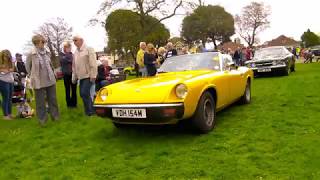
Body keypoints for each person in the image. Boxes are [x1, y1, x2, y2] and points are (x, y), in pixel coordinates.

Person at [26, 34, 59, 125]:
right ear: (36, 43)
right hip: (38, 82)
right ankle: (42, 120)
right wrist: (33, 76)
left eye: (44, 42)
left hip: (50, 80)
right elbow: (28, 68)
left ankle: (55, 117)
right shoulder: (31, 54)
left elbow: (51, 65)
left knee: (53, 99)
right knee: (40, 103)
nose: (44, 43)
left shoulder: (47, 52)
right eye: (42, 42)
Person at [72, 35, 97, 116]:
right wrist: (74, 77)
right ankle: (89, 111)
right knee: (83, 95)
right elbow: (75, 66)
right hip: (80, 77)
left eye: (75, 40)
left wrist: (93, 75)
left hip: (88, 75)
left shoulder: (89, 49)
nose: (74, 42)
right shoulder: (75, 52)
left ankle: (90, 112)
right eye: (73, 41)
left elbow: (93, 63)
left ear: (81, 40)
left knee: (84, 93)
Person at [0, 50, 14, 120]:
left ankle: (10, 114)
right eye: (5, 56)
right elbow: (4, 70)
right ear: (2, 56)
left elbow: (12, 69)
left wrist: (8, 70)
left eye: (8, 56)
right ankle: (5, 115)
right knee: (5, 98)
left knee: (10, 99)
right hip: (3, 82)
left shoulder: (10, 62)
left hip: (11, 81)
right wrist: (3, 70)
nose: (7, 58)